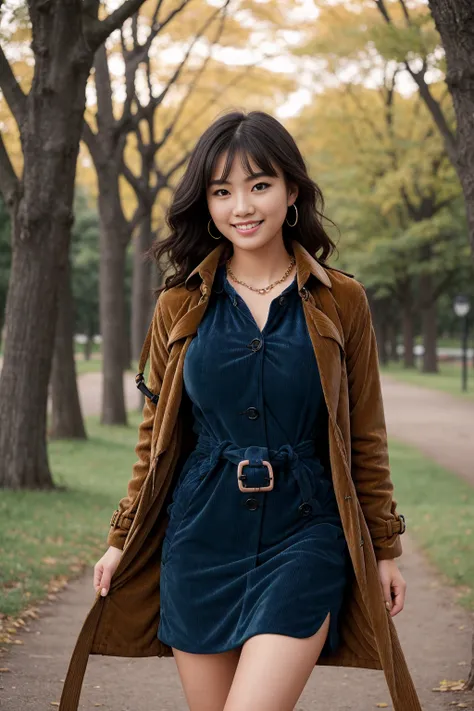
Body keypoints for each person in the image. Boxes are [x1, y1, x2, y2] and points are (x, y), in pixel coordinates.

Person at [61, 110, 420, 711]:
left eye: (259, 185)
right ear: (206, 204)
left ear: (292, 191)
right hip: (200, 535)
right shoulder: (179, 304)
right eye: (222, 191)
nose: (242, 206)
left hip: (304, 532)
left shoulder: (341, 300)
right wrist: (122, 538)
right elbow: (156, 437)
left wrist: (385, 549)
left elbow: (365, 435)